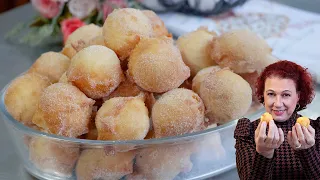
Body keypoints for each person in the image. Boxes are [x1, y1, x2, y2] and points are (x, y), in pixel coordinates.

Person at [234, 60, 320, 180]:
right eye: (271, 94)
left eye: (286, 95)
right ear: (263, 94)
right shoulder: (248, 132)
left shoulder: (315, 129)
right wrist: (264, 153)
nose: (278, 104)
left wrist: (307, 152)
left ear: (298, 96)